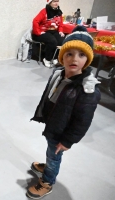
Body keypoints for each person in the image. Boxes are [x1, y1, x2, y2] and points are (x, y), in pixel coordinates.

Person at [26, 26, 101, 199]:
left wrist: (68, 141)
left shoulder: (87, 89)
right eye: (69, 54)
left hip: (62, 133)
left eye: (81, 55)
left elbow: (82, 121)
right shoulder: (59, 73)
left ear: (88, 59)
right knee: (51, 151)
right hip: (54, 124)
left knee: (55, 155)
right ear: (62, 56)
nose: (74, 59)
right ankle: (49, 165)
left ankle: (48, 181)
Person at [32, 0, 65, 68]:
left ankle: (55, 57)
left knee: (62, 40)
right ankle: (47, 59)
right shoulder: (44, 11)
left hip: (53, 31)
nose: (56, 3)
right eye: (54, 1)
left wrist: (61, 31)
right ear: (50, 3)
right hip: (43, 31)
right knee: (52, 41)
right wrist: (39, 32)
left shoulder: (59, 12)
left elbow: (61, 23)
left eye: (57, 1)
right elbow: (35, 21)